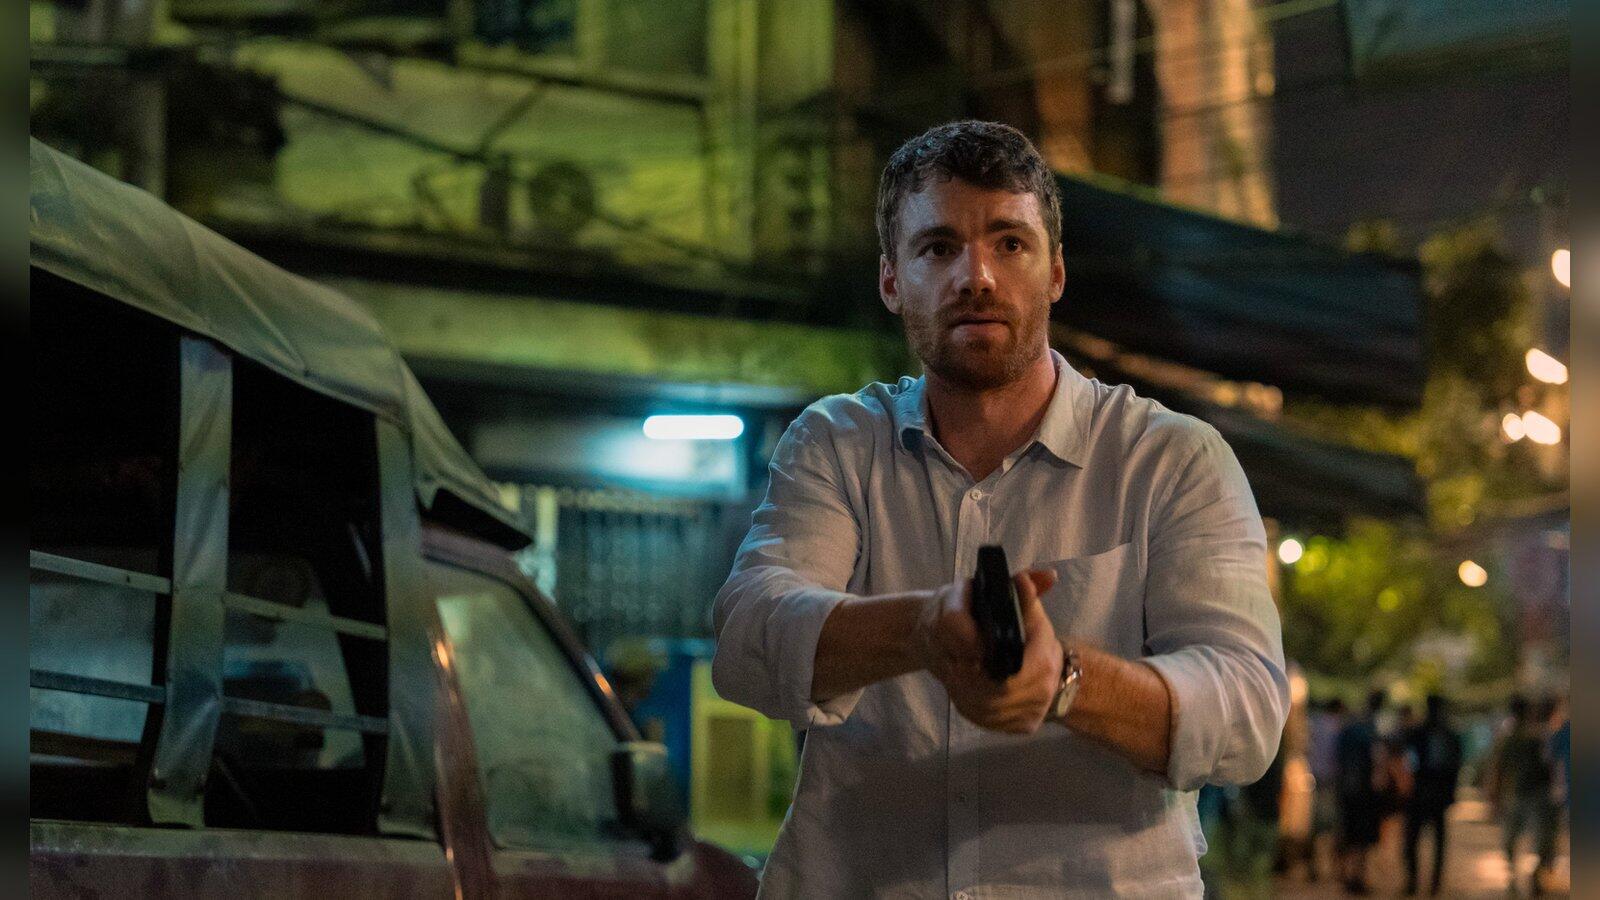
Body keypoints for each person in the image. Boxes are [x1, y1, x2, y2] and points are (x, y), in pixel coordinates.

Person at [710, 120, 1289, 898]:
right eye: (938, 247)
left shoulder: (1171, 460)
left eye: (1010, 244)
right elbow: (748, 638)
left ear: (1055, 272)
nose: (976, 277)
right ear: (891, 281)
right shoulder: (837, 444)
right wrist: (923, 629)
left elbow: (1246, 712)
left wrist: (1066, 680)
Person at [1489, 697, 1559, 896]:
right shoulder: (1537, 737)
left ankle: (1521, 877)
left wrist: (1494, 796)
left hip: (1523, 795)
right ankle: (1529, 876)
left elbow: (1498, 770)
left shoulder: (1515, 739)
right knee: (1538, 840)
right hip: (1531, 795)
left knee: (1514, 841)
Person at [1400, 695, 1463, 896]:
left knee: (1414, 840)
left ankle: (1417, 882)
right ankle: (1429, 883)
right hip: (1433, 794)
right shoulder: (1448, 734)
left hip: (1423, 793)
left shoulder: (1421, 733)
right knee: (1434, 841)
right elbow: (1455, 766)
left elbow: (1409, 762)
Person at [1333, 691, 1385, 895]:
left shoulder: (1350, 725)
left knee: (1349, 833)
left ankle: (1346, 874)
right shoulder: (1371, 727)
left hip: (1347, 786)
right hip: (1364, 790)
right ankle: (1357, 877)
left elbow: (1338, 757)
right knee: (1362, 837)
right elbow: (1377, 758)